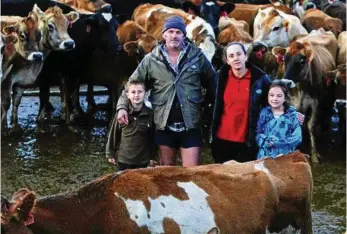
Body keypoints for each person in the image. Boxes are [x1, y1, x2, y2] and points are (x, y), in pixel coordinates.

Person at [116, 15, 217, 167]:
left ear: (184, 35)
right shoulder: (151, 59)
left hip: (191, 123)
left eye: (178, 32)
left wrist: (209, 108)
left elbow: (214, 82)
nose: (174, 35)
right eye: (170, 32)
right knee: (167, 175)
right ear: (163, 34)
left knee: (192, 174)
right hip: (164, 124)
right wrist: (122, 107)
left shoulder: (197, 56)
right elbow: (132, 84)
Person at [211, 42, 271, 163]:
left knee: (243, 178)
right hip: (222, 138)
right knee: (223, 178)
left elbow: (273, 101)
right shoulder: (219, 78)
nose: (236, 58)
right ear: (227, 61)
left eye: (239, 54)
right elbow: (210, 103)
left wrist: (291, 113)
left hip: (247, 140)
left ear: (246, 56)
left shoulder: (260, 78)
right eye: (231, 56)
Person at [105, 80, 156, 170]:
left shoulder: (150, 114)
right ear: (127, 95)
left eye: (140, 92)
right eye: (133, 92)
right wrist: (110, 153)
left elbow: (152, 138)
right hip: (124, 160)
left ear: (145, 94)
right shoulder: (121, 114)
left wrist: (152, 157)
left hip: (142, 161)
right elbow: (113, 133)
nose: (136, 95)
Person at [255, 80, 302, 159]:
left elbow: (297, 138)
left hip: (285, 158)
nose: (275, 98)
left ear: (285, 98)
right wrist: (265, 141)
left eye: (279, 96)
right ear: (267, 97)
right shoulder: (263, 113)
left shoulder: (292, 116)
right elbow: (258, 133)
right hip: (265, 158)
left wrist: (276, 143)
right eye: (272, 95)